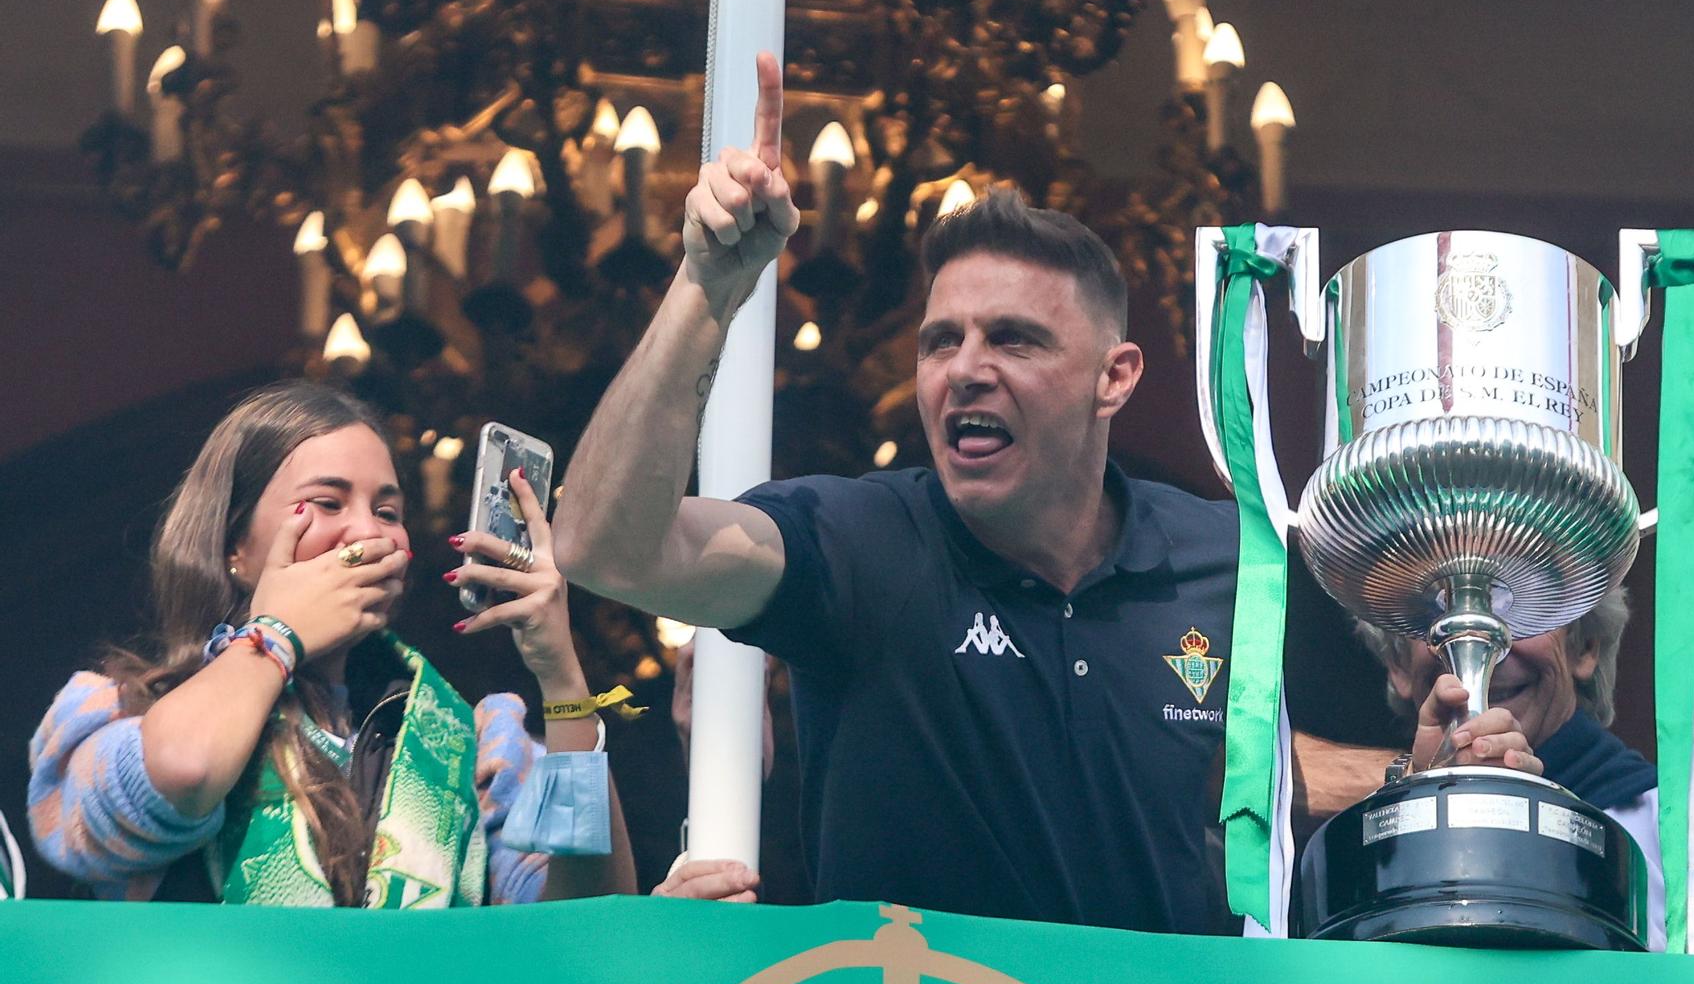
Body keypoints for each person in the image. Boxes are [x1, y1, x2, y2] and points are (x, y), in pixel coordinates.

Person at [555, 54, 1536, 933]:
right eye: (942, 340)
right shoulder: (862, 541)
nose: (963, 369)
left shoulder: (1228, 557)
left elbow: (1210, 782)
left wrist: (1411, 782)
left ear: (1113, 377)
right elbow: (603, 547)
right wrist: (706, 285)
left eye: (1013, 339)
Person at [27, 381, 638, 906]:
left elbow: (588, 919)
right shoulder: (122, 712)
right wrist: (276, 633)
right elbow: (184, 772)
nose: (368, 531)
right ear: (233, 546)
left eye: (389, 511)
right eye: (327, 502)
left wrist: (562, 679)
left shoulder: (466, 742)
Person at [1340, 589, 1694, 957]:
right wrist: (1422, 821)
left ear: (1585, 646)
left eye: (1520, 597)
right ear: (1397, 665)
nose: (1482, 641)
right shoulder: (1352, 854)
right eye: (1438, 605)